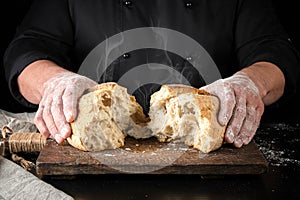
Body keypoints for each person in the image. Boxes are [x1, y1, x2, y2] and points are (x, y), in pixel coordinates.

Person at [3, 0, 299, 148]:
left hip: (216, 163)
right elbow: (27, 50)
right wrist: (54, 82)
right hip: (91, 164)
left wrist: (250, 83)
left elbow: (274, 52)